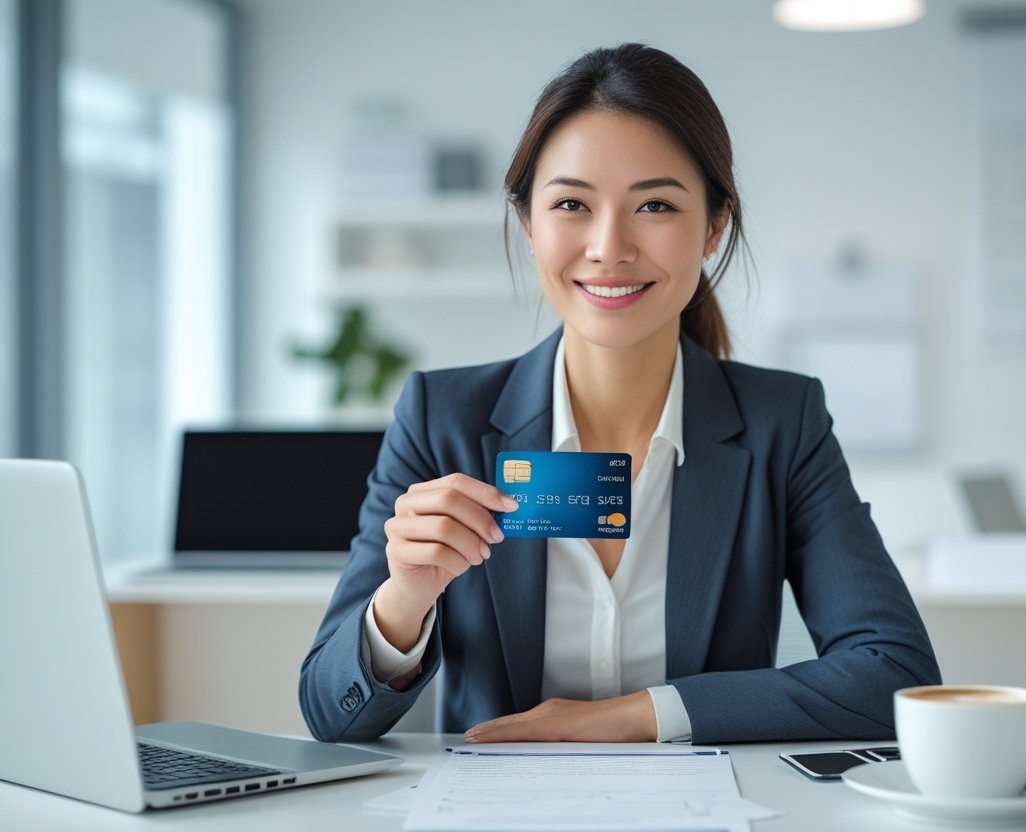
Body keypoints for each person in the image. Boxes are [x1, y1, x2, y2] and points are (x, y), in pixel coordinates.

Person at [300, 43, 939, 745]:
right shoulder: (440, 419)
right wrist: (402, 602)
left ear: (714, 226)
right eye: (572, 203)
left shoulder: (782, 425)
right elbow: (329, 713)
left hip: (707, 798)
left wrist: (633, 716)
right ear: (529, 223)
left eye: (655, 204)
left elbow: (894, 675)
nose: (609, 247)